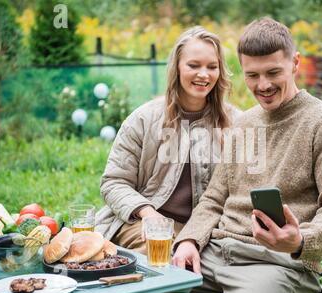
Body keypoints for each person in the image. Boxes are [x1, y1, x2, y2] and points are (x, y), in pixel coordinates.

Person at [172, 17, 322, 293]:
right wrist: (188, 240)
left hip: (278, 264)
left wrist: (301, 241)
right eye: (252, 75)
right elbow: (213, 199)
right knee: (147, 290)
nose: (263, 85)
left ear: (295, 63)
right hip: (215, 254)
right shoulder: (243, 124)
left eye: (273, 72)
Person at [94, 26, 241, 254]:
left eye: (212, 67)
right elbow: (113, 182)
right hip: (142, 222)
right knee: (158, 248)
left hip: (205, 228)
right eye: (194, 65)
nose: (204, 74)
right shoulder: (144, 118)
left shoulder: (236, 122)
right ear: (177, 68)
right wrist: (147, 212)